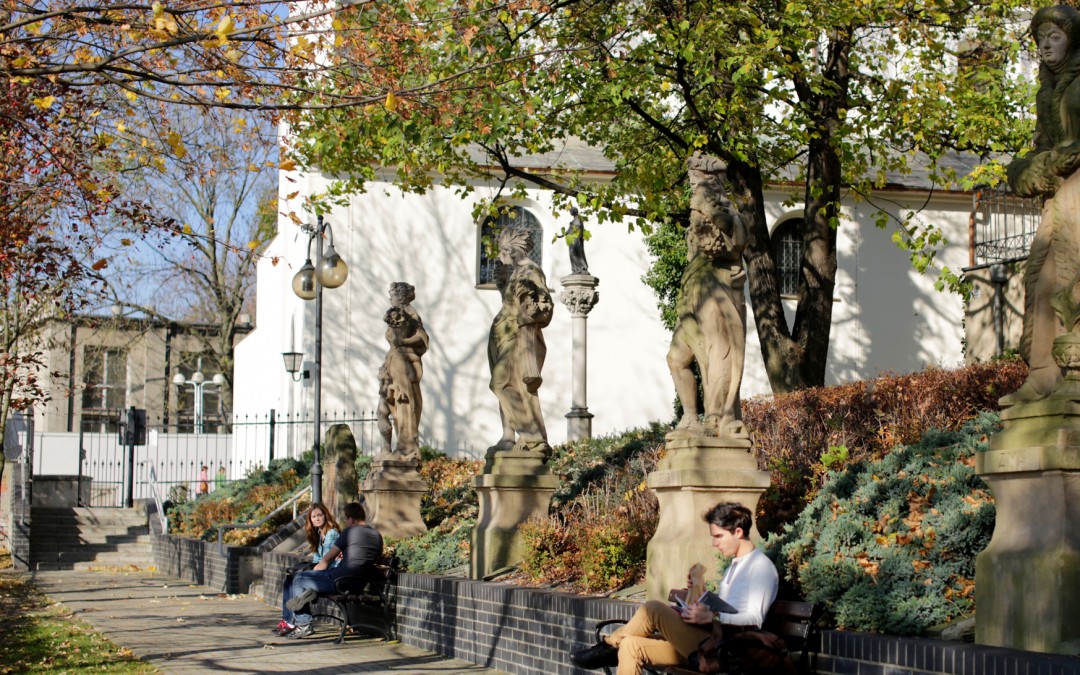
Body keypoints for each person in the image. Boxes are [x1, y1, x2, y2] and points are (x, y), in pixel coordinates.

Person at [569, 502, 778, 675]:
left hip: (729, 650)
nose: (714, 543)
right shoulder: (736, 565)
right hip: (711, 642)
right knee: (631, 645)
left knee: (653, 608)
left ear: (738, 532)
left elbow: (754, 619)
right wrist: (699, 594)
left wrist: (712, 618)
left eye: (718, 536)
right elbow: (727, 608)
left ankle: (607, 647)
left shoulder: (760, 567)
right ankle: (613, 646)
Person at [1004, 5, 1080, 403]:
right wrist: (1026, 170)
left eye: (1055, 37)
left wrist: (1062, 158)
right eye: (1040, 39)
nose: (1046, 46)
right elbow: (1041, 148)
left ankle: (1069, 376)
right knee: (1041, 276)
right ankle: (1042, 376)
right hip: (1060, 192)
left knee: (1068, 276)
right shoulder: (1046, 91)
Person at [667, 153, 748, 437]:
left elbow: (738, 238)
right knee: (676, 358)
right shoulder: (697, 211)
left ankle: (716, 417)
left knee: (719, 352)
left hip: (716, 287)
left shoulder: (722, 208)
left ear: (709, 180)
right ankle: (690, 417)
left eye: (696, 179)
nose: (692, 185)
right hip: (693, 288)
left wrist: (710, 211)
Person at [487, 225, 554, 455]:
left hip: (517, 336)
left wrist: (531, 315)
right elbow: (513, 302)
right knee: (508, 385)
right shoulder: (516, 273)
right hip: (501, 334)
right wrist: (502, 287)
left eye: (503, 250)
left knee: (501, 383)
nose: (500, 256)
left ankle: (532, 436)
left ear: (514, 249)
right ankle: (508, 436)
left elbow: (544, 306)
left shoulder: (531, 271)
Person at [275, 501, 383, 639]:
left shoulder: (349, 532)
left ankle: (303, 625)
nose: (346, 522)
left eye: (346, 519)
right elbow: (376, 556)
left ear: (351, 519)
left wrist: (312, 574)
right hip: (360, 583)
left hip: (340, 581)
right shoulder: (377, 535)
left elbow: (327, 560)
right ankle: (307, 595)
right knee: (304, 579)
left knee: (299, 579)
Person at [376, 282, 429, 460]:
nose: (390, 297)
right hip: (391, 363)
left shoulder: (411, 316)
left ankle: (406, 446)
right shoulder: (396, 314)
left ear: (401, 296)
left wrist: (404, 343)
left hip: (403, 365)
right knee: (383, 409)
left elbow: (422, 338)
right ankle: (386, 449)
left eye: (392, 294)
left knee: (403, 405)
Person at [272, 503, 341, 636]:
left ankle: (298, 623)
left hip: (330, 574)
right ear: (310, 520)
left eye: (320, 515)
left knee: (297, 579)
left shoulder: (331, 533)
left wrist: (309, 573)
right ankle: (287, 620)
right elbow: (316, 559)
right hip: (322, 571)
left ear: (325, 516)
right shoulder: (319, 533)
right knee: (289, 579)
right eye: (314, 517)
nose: (317, 519)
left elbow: (325, 560)